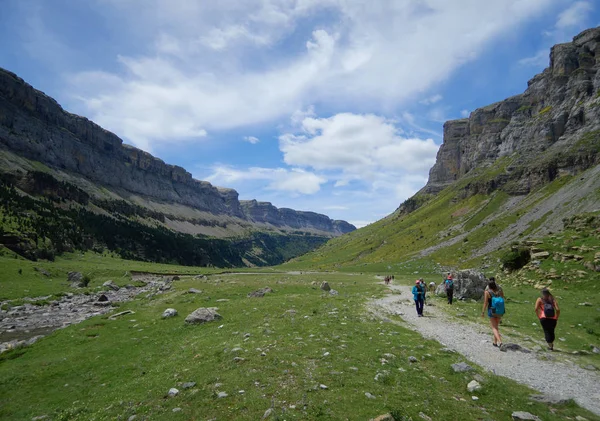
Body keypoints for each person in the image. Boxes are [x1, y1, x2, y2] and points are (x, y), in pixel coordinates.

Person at [481, 279, 504, 348]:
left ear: (489, 286)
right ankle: (495, 342)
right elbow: (502, 298)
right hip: (500, 310)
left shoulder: (487, 292)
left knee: (494, 328)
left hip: (492, 310)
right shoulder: (500, 291)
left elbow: (485, 303)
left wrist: (483, 312)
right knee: (496, 327)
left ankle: (500, 342)